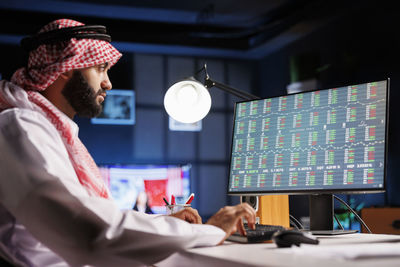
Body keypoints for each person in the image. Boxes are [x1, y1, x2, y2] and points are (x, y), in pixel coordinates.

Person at [0, 19, 256, 267]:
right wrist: (210, 231)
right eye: (99, 68)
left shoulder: (41, 127)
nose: (107, 83)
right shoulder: (20, 127)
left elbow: (95, 215)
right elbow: (92, 232)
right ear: (66, 67)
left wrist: (166, 224)